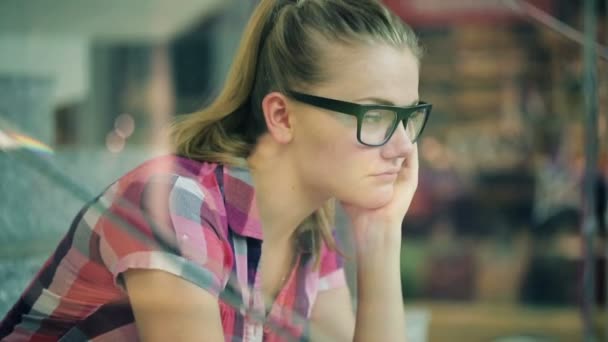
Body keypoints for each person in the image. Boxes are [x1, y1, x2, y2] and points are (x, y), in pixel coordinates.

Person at [0, 0, 431, 340]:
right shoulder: (175, 205)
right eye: (374, 115)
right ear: (282, 117)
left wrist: (381, 235)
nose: (402, 146)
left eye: (408, 117)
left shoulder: (311, 236)